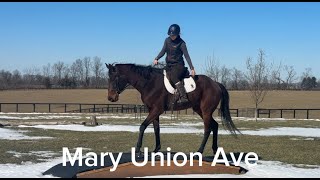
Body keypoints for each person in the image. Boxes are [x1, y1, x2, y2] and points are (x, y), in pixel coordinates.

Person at [154, 24, 196, 103]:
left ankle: (183, 96)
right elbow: (163, 51)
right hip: (169, 66)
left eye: (173, 35)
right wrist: (157, 58)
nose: (172, 36)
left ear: (178, 34)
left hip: (179, 66)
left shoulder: (182, 43)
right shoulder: (167, 40)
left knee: (173, 76)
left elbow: (187, 56)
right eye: (170, 35)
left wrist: (192, 68)